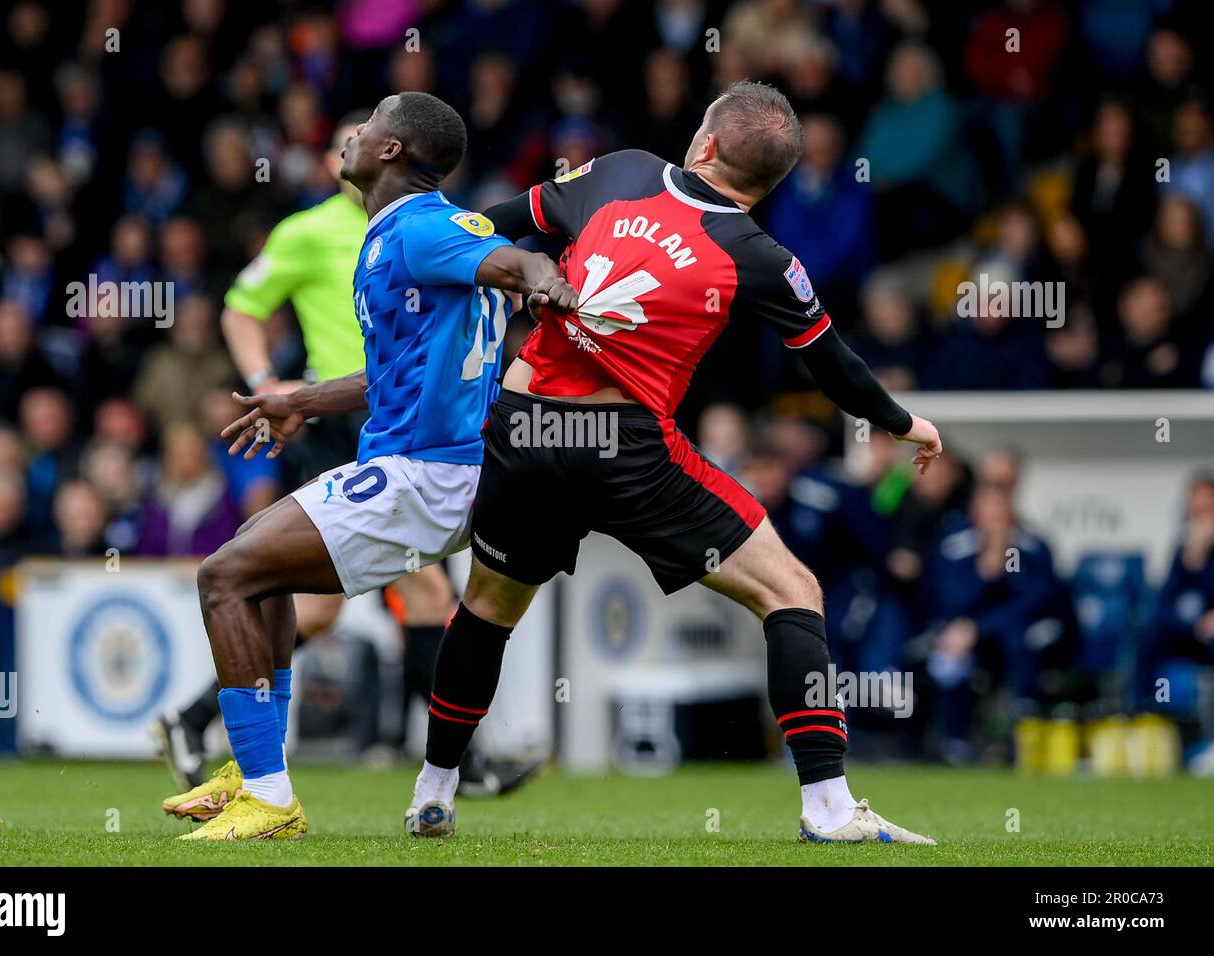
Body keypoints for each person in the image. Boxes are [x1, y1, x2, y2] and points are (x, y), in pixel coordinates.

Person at [405, 80, 942, 843]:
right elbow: (831, 364)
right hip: (624, 451)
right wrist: (901, 422)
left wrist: (444, 274)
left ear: (707, 144)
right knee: (791, 592)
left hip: (522, 428)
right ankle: (826, 807)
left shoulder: (620, 171)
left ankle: (434, 791)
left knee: (487, 607)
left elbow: (491, 225)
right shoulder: (758, 255)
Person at [172, 92, 577, 840]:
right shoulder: (395, 232)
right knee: (261, 572)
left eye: (371, 123)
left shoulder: (424, 228)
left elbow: (517, 259)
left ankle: (267, 794)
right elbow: (394, 371)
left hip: (426, 473)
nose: (353, 133)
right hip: (421, 466)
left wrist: (542, 279)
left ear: (391, 151)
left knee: (223, 576)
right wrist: (303, 400)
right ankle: (255, 770)